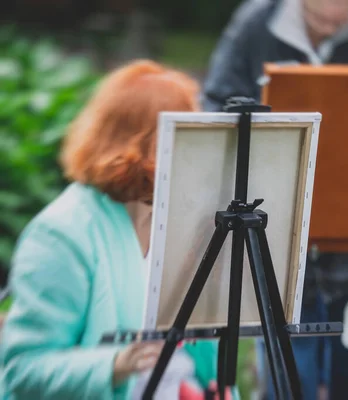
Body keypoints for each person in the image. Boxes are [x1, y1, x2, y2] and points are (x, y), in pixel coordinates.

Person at [201, 0, 348, 398]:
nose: (328, 27)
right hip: (277, 212)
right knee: (287, 331)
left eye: (339, 19)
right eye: (318, 19)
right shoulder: (257, 23)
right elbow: (218, 102)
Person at [0, 60, 232, 400]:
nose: (197, 153)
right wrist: (115, 365)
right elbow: (23, 370)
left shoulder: (182, 222)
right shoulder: (61, 234)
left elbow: (198, 360)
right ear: (138, 147)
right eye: (184, 136)